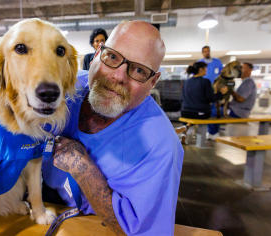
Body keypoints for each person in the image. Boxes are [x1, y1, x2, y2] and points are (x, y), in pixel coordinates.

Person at [42, 21, 184, 235]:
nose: (119, 76)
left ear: (152, 82)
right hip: (41, 204)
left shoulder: (160, 145)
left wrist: (85, 171)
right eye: (113, 57)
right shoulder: (66, 88)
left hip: (96, 225)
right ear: (97, 53)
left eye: (138, 70)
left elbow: (142, 231)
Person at [179, 62, 228, 144]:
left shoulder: (187, 82)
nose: (206, 70)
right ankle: (212, 133)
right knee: (212, 111)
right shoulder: (205, 82)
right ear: (200, 69)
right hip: (200, 113)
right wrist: (221, 93)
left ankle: (186, 128)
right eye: (205, 68)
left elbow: (181, 98)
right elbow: (211, 98)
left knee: (193, 113)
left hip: (185, 112)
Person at [207, 62, 256, 139]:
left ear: (250, 70)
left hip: (239, 111)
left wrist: (230, 91)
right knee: (212, 108)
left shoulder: (248, 82)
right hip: (235, 108)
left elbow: (240, 99)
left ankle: (213, 133)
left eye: (242, 68)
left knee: (213, 113)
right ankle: (211, 132)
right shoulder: (244, 82)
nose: (239, 70)